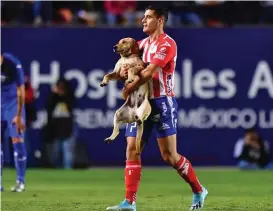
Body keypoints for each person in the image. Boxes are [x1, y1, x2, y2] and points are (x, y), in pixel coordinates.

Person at [106, 5, 208, 211]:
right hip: (140, 102)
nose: (143, 20)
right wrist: (124, 71)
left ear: (160, 20)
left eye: (149, 17)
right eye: (143, 17)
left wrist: (129, 87)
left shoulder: (167, 44)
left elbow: (151, 71)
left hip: (162, 102)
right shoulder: (141, 44)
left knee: (169, 156)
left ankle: (198, 190)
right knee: (132, 149)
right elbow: (127, 61)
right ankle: (129, 202)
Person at [1, 53, 27, 192]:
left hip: (13, 106)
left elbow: (21, 91)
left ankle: (20, 181)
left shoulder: (12, 64)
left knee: (17, 141)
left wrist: (18, 115)